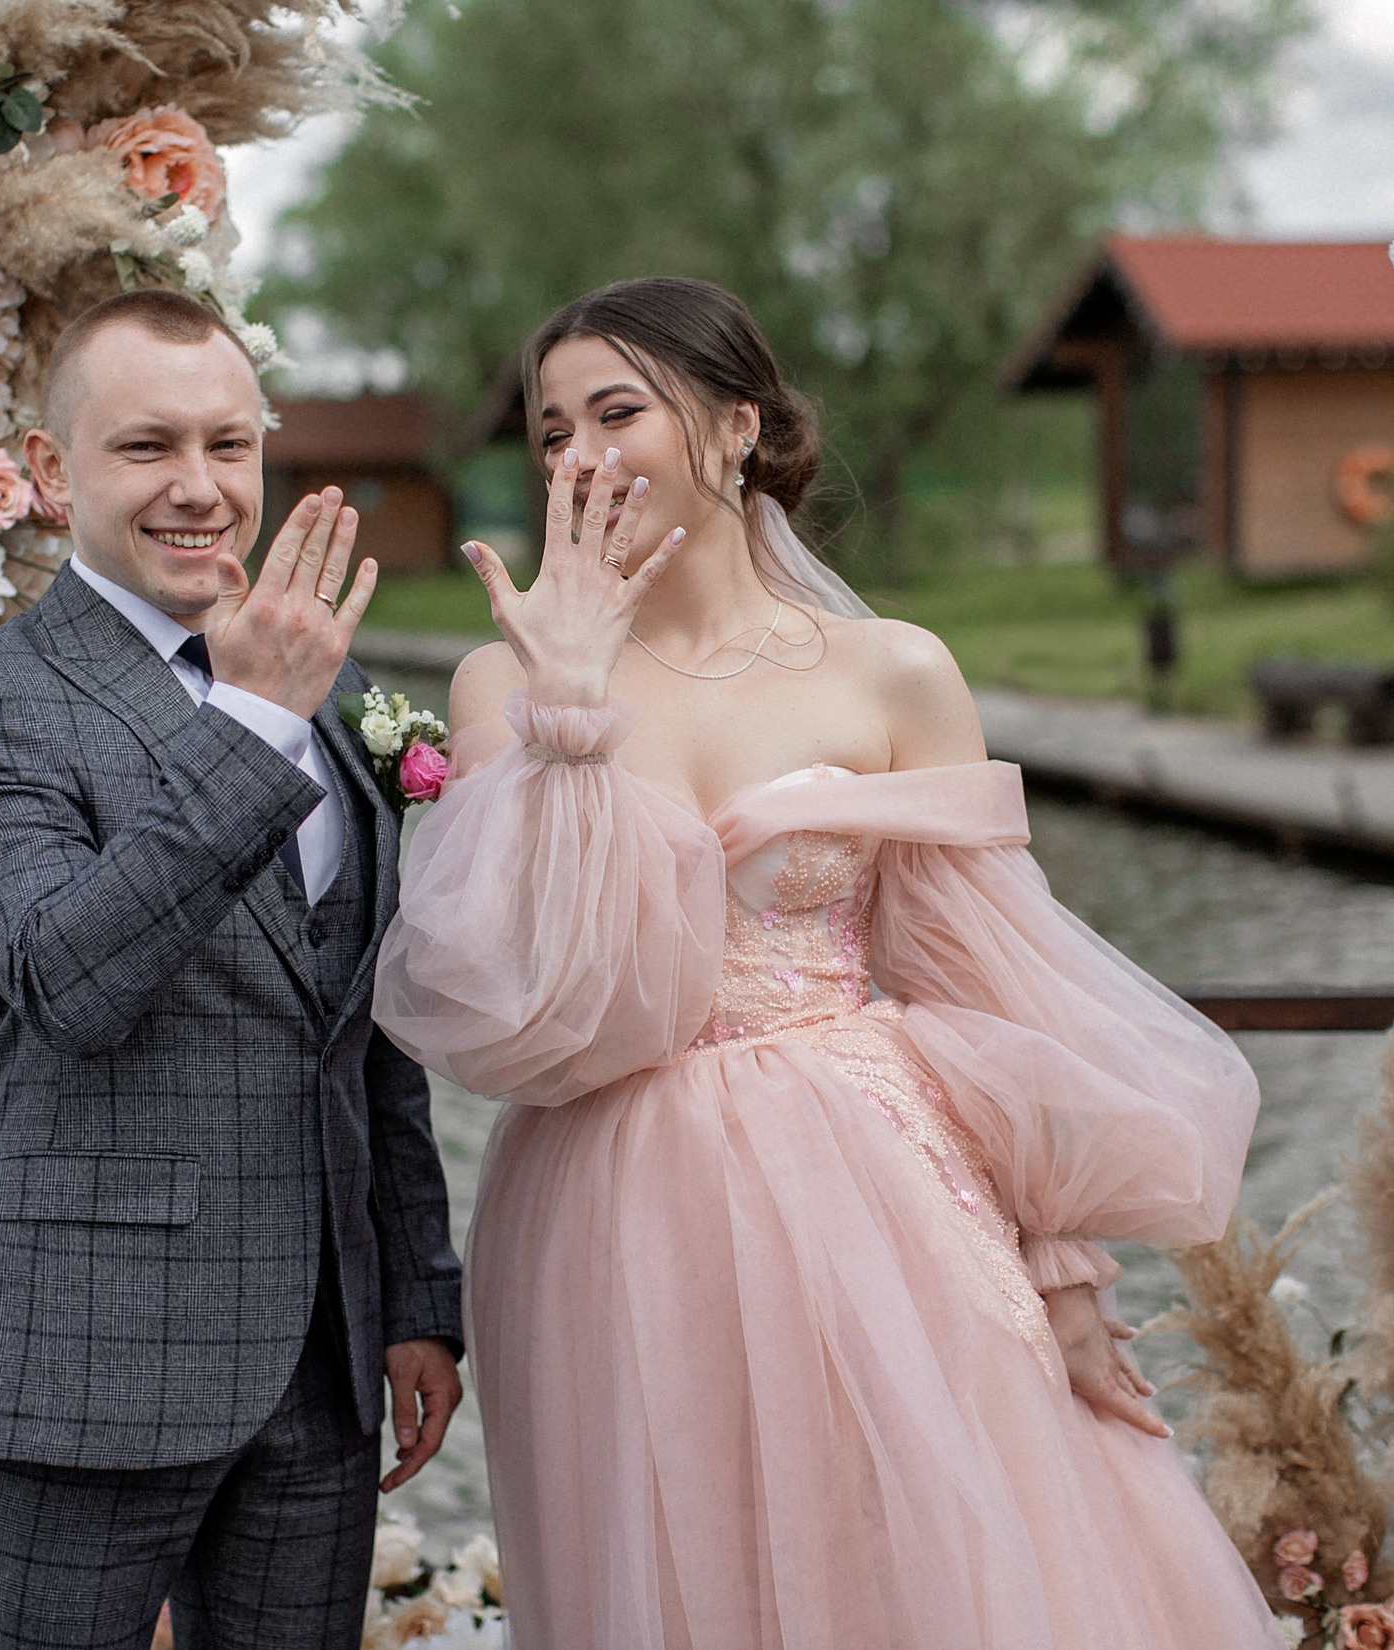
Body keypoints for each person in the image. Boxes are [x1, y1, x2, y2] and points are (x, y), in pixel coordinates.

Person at [372, 276, 1280, 1648]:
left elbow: (985, 981)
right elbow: (519, 1006)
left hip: (874, 1186)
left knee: (921, 1554)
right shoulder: (502, 686)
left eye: (619, 411)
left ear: (737, 427)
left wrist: (1067, 1266)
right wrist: (567, 710)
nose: (577, 455)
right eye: (552, 430)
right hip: (609, 1201)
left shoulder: (892, 672)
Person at [0, 287, 465, 1650]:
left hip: (323, 1366)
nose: (201, 488)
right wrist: (256, 716)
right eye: (147, 447)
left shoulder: (332, 684)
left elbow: (361, 1020)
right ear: (49, 471)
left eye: (231, 444)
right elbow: (67, 977)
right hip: (83, 1356)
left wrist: (418, 1289)